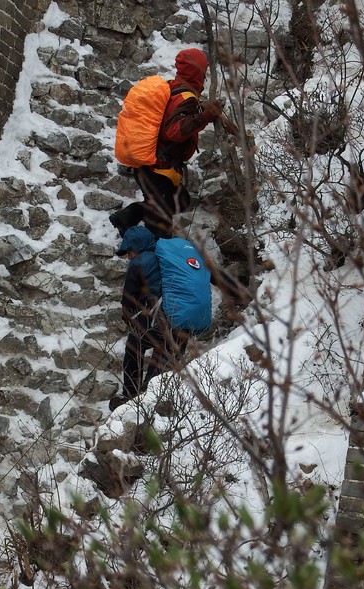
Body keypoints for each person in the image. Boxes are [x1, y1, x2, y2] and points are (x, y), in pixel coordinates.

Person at [110, 48, 227, 237]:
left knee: (180, 200)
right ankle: (152, 253)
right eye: (203, 72)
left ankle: (125, 218)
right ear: (198, 72)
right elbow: (174, 131)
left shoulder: (174, 87)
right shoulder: (186, 98)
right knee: (160, 226)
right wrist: (204, 117)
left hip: (150, 169)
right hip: (159, 170)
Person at [111, 226, 164, 409]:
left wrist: (130, 322)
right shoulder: (166, 256)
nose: (129, 256)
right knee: (163, 355)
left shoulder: (139, 263)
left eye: (130, 251)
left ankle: (130, 395)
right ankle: (151, 399)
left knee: (134, 347)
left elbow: (128, 301)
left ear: (138, 247)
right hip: (184, 319)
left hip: (159, 318)